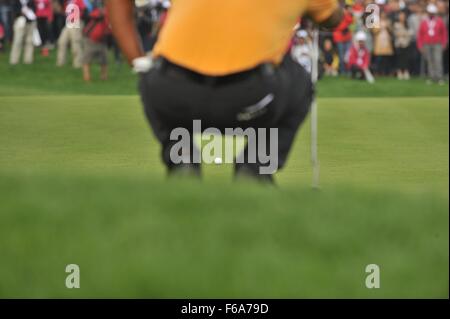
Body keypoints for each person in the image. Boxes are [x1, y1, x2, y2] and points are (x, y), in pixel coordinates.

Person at [106, 0, 344, 182]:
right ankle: (255, 169)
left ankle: (182, 159)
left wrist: (137, 61)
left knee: (150, 74)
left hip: (173, 91)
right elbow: (333, 18)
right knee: (300, 82)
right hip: (251, 97)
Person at [417, 3, 448, 84]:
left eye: (432, 13)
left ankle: (439, 77)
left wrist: (444, 43)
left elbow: (444, 33)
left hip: (437, 43)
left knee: (438, 60)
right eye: (430, 13)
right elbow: (420, 34)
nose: (431, 14)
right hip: (427, 43)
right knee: (430, 61)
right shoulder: (424, 22)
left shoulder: (439, 21)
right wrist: (420, 45)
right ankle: (432, 77)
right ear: (428, 13)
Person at [81, 2, 110, 81]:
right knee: (87, 60)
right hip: (90, 40)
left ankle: (104, 78)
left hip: (102, 40)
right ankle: (87, 78)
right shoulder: (96, 13)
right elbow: (93, 15)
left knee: (104, 61)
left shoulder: (108, 14)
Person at [56, 0, 86, 68]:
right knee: (61, 42)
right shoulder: (67, 1)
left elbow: (83, 10)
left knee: (75, 44)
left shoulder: (79, 1)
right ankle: (60, 62)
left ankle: (78, 63)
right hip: (68, 23)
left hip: (76, 23)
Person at [9, 0, 37, 65]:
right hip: (20, 21)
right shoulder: (16, 1)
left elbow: (34, 9)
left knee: (29, 41)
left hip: (30, 22)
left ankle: (28, 60)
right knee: (17, 41)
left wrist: (30, 10)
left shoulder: (30, 1)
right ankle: (14, 60)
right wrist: (21, 13)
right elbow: (13, 11)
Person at [333, 3, 353, 75]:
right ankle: (342, 70)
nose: (350, 10)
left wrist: (346, 15)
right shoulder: (338, 15)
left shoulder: (349, 15)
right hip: (339, 38)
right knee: (341, 55)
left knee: (348, 55)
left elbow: (351, 21)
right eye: (349, 9)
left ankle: (348, 70)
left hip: (347, 38)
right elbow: (336, 26)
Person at [393, 11, 412, 80]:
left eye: (403, 16)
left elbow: (410, 33)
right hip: (399, 44)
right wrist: (404, 34)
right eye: (400, 16)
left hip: (406, 44)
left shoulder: (407, 24)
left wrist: (404, 34)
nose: (402, 17)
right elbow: (397, 34)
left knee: (406, 59)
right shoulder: (396, 24)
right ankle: (399, 72)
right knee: (399, 59)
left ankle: (406, 72)